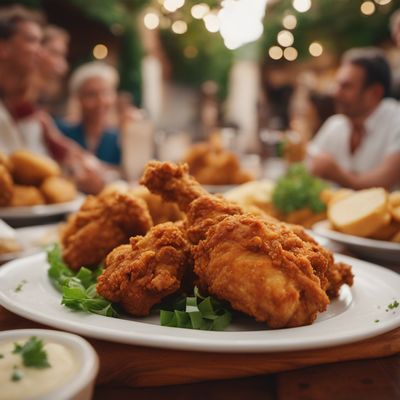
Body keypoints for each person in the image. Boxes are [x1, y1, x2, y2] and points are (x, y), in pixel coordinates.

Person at [308, 48, 400, 190]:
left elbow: (384, 182)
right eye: (337, 84)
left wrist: (338, 174)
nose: (336, 93)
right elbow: (305, 168)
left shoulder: (396, 121)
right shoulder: (335, 125)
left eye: (346, 86)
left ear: (375, 92)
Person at [57, 62, 121, 167]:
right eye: (91, 95)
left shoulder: (119, 138)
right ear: (78, 98)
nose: (101, 101)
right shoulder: (62, 132)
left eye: (105, 93)